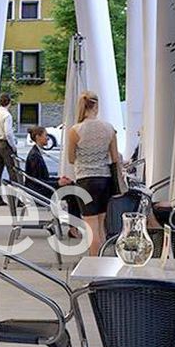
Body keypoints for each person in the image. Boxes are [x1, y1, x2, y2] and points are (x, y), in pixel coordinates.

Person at [67, 91, 120, 255]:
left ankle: (94, 263)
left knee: (90, 226)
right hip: (105, 180)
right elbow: (115, 157)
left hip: (85, 181)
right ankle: (103, 261)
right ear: (96, 106)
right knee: (101, 224)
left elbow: (71, 158)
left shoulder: (75, 130)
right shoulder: (109, 128)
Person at [25, 126, 81, 237]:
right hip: (39, 190)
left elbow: (41, 178)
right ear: (38, 137)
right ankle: (74, 227)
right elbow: (37, 181)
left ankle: (74, 225)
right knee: (72, 193)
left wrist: (59, 180)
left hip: (41, 187)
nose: (47, 138)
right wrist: (57, 183)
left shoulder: (36, 153)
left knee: (72, 188)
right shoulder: (34, 156)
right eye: (45, 135)